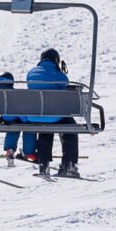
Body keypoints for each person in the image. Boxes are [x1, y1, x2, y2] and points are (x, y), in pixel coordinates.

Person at [26, 48, 80, 177]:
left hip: (36, 116)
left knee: (45, 129)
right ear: (56, 60)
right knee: (71, 130)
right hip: (54, 116)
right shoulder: (60, 75)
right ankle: (69, 165)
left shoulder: (31, 73)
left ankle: (43, 165)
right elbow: (66, 94)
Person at [0, 72, 36, 166]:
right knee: (29, 128)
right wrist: (25, 120)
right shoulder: (14, 93)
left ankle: (10, 149)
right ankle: (29, 152)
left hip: (7, 120)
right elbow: (19, 110)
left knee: (12, 128)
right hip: (18, 118)